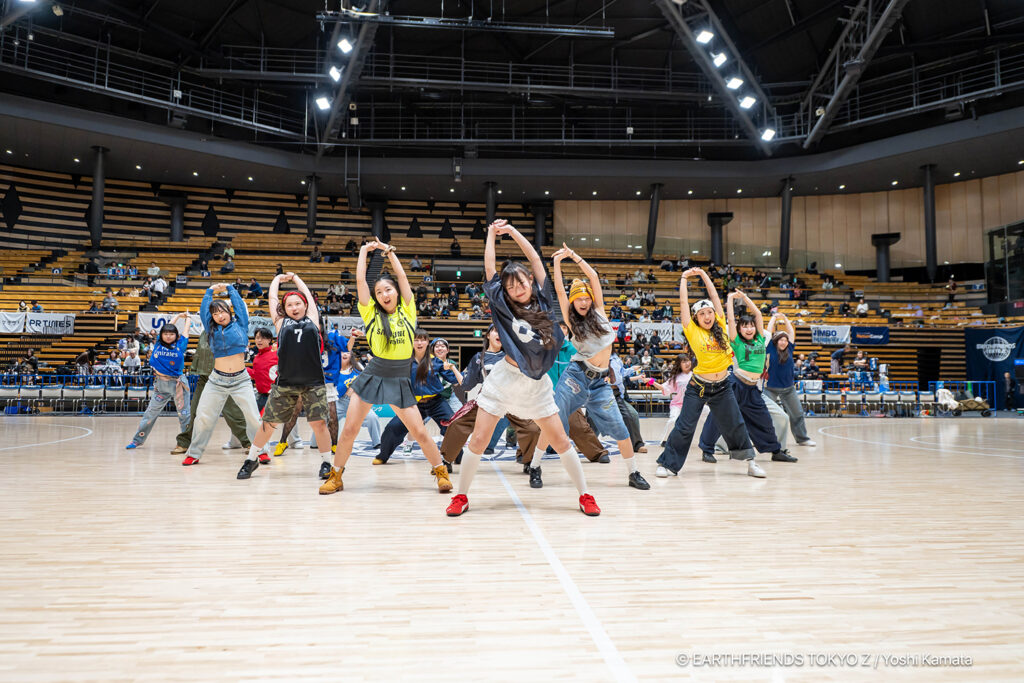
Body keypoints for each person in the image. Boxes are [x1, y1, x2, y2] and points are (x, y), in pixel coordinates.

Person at [446, 220, 601, 517]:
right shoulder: (502, 305)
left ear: (530, 280)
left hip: (536, 385)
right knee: (478, 439)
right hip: (504, 379)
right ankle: (461, 496)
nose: (517, 288)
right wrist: (491, 234)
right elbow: (489, 268)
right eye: (510, 285)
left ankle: (585, 495)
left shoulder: (543, 297)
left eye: (521, 282)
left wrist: (513, 232)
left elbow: (535, 259)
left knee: (561, 440)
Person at [319, 240, 453, 494]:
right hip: (373, 375)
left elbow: (402, 277)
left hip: (399, 378)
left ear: (396, 292)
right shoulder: (370, 312)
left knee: (419, 432)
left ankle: (440, 472)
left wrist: (390, 254)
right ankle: (336, 477)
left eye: (388, 289)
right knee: (349, 429)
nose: (384, 295)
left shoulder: (408, 311)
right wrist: (363, 252)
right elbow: (361, 281)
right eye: (379, 292)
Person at [538, 248, 650, 488]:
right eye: (579, 299)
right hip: (576, 377)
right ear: (572, 301)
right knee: (554, 420)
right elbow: (559, 290)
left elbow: (593, 277)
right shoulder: (570, 319)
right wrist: (557, 262)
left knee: (620, 428)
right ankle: (535, 466)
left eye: (586, 298)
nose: (583, 302)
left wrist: (574, 256)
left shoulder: (599, 311)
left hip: (600, 382)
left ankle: (633, 473)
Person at [656, 268, 760, 478]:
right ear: (696, 317)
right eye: (702, 314)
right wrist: (684, 277)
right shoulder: (692, 330)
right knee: (684, 426)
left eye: (709, 312)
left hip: (723, 386)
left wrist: (704, 275)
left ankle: (751, 463)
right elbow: (683, 302)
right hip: (699, 387)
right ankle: (667, 464)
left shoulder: (720, 323)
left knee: (735, 423)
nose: (707, 316)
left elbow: (713, 294)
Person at [237, 272, 332, 480]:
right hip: (285, 383)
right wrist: (276, 280)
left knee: (319, 424)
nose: (294, 307)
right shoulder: (281, 323)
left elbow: (307, 293)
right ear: (284, 308)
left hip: (313, 382)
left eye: (298, 304)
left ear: (305, 305)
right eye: (289, 305)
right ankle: (251, 459)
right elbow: (272, 299)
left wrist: (296, 278)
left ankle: (327, 463)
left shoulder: (312, 320)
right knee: (269, 423)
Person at [697, 291, 794, 465]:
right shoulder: (736, 341)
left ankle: (775, 450)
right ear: (739, 329)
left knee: (763, 420)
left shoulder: (760, 338)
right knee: (719, 416)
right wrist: (730, 299)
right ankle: (707, 449)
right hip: (735, 385)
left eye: (751, 326)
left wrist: (745, 298)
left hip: (753, 389)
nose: (749, 329)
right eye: (744, 326)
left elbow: (757, 314)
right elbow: (730, 319)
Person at [181, 283, 262, 466]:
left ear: (229, 311)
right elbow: (204, 311)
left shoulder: (241, 324)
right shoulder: (211, 330)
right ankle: (194, 453)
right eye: (215, 313)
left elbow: (240, 307)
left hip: (241, 380)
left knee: (253, 417)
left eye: (223, 311)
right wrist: (209, 291)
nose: (220, 316)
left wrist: (230, 289)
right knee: (203, 417)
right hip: (216, 381)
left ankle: (261, 451)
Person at [441, 325, 543, 467]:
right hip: (487, 400)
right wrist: (453, 368)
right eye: (495, 330)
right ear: (488, 335)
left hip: (511, 401)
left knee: (532, 428)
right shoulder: (479, 358)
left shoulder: (511, 357)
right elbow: (466, 385)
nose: (499, 334)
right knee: (458, 424)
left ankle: (528, 462)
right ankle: (446, 460)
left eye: (502, 331)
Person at [373, 330, 462, 465]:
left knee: (452, 427)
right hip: (412, 404)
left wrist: (451, 368)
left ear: (427, 342)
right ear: (411, 342)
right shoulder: (404, 361)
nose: (419, 343)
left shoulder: (435, 361)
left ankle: (458, 456)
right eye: (416, 340)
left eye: (423, 340)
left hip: (436, 402)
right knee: (393, 427)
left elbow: (455, 380)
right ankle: (383, 456)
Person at [171, 329, 252, 456]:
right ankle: (185, 442)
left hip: (224, 378)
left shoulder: (231, 331)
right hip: (205, 378)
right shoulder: (206, 332)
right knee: (195, 411)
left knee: (233, 413)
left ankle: (249, 442)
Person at [126, 314, 192, 449]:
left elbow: (186, 331)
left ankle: (187, 443)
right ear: (161, 335)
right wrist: (178, 316)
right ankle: (137, 440)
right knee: (150, 414)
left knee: (184, 415)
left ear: (176, 335)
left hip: (178, 385)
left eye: (171, 334)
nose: (168, 336)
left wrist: (188, 318)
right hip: (161, 385)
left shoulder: (180, 345)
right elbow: (166, 327)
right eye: (165, 334)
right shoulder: (158, 344)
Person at [763, 313, 816, 448]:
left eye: (785, 340)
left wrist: (785, 319)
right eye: (780, 340)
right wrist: (774, 318)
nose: (783, 342)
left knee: (797, 414)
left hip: (788, 389)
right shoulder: (769, 347)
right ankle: (763, 439)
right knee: (766, 415)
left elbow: (791, 332)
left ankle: (802, 439)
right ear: (776, 341)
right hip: (770, 388)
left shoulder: (790, 349)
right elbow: (768, 331)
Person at [649, 353, 693, 447]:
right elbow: (664, 387)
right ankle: (666, 440)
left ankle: (719, 443)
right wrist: (651, 381)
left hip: (693, 405)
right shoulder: (675, 377)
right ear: (679, 365)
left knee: (711, 416)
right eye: (683, 362)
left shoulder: (695, 375)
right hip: (677, 405)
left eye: (688, 360)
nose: (687, 363)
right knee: (672, 421)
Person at [247, 327, 278, 411]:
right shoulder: (257, 358)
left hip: (275, 395)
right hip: (261, 396)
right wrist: (244, 369)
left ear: (269, 340)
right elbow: (256, 374)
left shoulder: (276, 354)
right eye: (257, 338)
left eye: (263, 338)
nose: (259, 340)